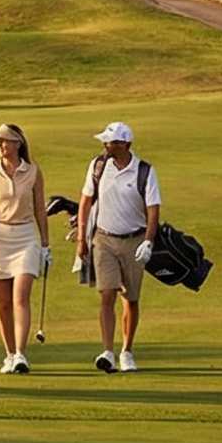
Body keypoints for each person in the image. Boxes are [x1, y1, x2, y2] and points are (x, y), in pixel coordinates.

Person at [74, 121, 163, 373]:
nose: (106, 145)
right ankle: (107, 352)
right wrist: (82, 239)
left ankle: (127, 351)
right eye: (105, 141)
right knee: (106, 294)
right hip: (103, 239)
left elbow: (152, 209)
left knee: (130, 298)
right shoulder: (98, 166)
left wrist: (148, 241)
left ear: (126, 144)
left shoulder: (144, 171)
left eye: (111, 142)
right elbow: (85, 202)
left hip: (134, 240)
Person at [0, 123, 48, 374]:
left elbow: (40, 208)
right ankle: (9, 354)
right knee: (4, 302)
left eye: (4, 140)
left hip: (26, 236)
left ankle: (20, 354)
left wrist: (46, 244)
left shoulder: (33, 171)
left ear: (17, 143)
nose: (0, 145)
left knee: (20, 297)